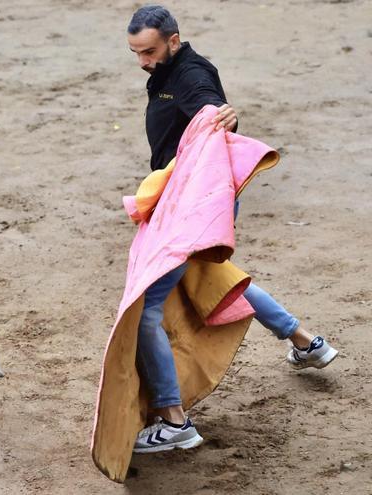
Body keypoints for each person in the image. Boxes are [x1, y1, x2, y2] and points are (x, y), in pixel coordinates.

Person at [125, 5, 339, 453]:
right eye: (136, 53)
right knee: (212, 278)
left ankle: (174, 420)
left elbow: (209, 106)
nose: (143, 61)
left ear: (173, 41)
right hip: (185, 198)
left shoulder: (190, 73)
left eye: (149, 51)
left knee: (147, 310)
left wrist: (224, 115)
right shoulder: (169, 71)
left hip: (192, 205)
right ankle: (306, 342)